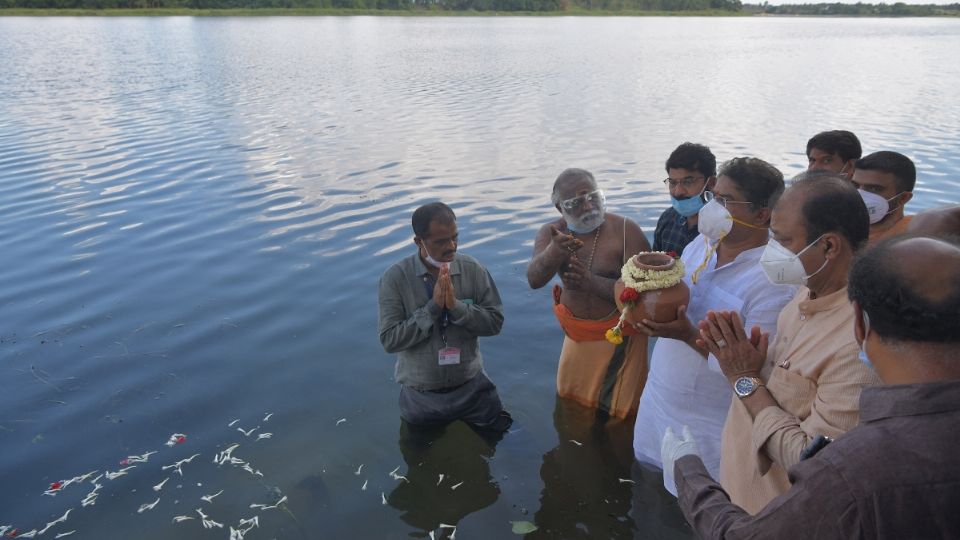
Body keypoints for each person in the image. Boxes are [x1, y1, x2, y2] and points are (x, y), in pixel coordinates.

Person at [661, 235, 960, 539]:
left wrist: (689, 474)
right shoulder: (802, 299)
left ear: (858, 324)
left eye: (783, 238)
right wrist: (754, 369)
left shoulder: (853, 466)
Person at [682, 174, 881, 514]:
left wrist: (743, 378)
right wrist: (755, 364)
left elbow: (814, 463)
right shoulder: (807, 290)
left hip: (775, 520)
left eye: (781, 239)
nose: (770, 249)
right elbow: (781, 393)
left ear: (829, 246)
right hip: (736, 504)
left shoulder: (859, 342)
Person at [633, 157, 796, 495]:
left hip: (709, 426)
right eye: (712, 197)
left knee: (700, 510)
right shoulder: (702, 244)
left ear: (762, 214)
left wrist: (686, 334)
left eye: (724, 201)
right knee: (648, 497)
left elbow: (756, 370)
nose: (712, 207)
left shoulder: (774, 280)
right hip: (657, 405)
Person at [378, 202, 512, 439]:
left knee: (504, 442)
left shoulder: (473, 269)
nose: (451, 246)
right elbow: (389, 340)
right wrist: (432, 309)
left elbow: (495, 323)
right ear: (418, 241)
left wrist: (457, 308)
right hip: (421, 397)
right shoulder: (395, 279)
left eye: (455, 237)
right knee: (420, 461)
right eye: (441, 242)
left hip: (473, 388)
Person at [527, 168, 650, 418]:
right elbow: (534, 280)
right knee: (572, 405)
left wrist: (591, 283)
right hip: (576, 338)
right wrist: (555, 250)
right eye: (576, 202)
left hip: (620, 340)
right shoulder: (551, 233)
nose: (588, 206)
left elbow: (645, 295)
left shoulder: (626, 231)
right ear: (560, 208)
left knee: (619, 415)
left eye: (593, 197)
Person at [652, 143, 717, 255]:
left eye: (688, 182)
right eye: (672, 182)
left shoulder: (724, 227)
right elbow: (656, 266)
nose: (678, 192)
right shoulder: (667, 219)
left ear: (711, 183)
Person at [851, 150, 916, 243]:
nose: (860, 195)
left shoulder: (911, 239)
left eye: (874, 189)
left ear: (903, 198)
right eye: (855, 186)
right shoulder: (839, 228)